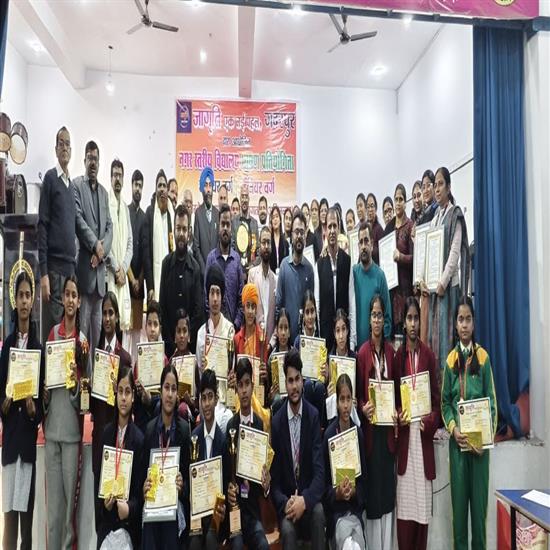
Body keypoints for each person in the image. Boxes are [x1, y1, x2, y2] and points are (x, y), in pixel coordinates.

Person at [441, 296, 497, 550]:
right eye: (460, 319)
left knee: (479, 521)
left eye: (468, 319)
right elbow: (445, 404)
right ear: (455, 324)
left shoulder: (483, 358)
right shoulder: (450, 360)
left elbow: (492, 404)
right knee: (459, 523)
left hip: (480, 451)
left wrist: (485, 440)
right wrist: (453, 429)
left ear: (474, 324)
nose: (464, 324)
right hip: (458, 449)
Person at [44, 275, 90, 550]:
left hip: (72, 435)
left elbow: (85, 401)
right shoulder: (52, 335)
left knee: (68, 520)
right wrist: (45, 396)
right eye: (67, 295)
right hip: (51, 433)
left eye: (74, 295)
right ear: (62, 299)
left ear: (79, 301)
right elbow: (46, 386)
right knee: (53, 513)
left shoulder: (82, 342)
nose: (70, 299)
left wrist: (75, 385)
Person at [0, 272, 44, 550]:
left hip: (27, 445)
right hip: (10, 443)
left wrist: (32, 409)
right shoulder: (7, 346)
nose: (25, 301)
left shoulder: (38, 348)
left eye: (28, 295)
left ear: (32, 300)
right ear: (14, 301)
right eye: (21, 296)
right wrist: (3, 406)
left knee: (26, 526)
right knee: (9, 523)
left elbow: (40, 410)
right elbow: (0, 393)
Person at [394, 297, 440, 550]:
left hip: (423, 444)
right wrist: (398, 415)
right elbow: (393, 402)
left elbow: (437, 404)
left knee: (422, 521)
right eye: (409, 318)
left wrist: (431, 422)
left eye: (415, 318)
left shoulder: (429, 356)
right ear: (404, 323)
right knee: (405, 521)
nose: (413, 323)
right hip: (405, 448)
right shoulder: (397, 357)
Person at [271, 349, 326, 549]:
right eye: (290, 381)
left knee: (319, 513)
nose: (294, 386)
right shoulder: (277, 423)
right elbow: (274, 482)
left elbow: (320, 474)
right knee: (286, 530)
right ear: (285, 384)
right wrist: (285, 502)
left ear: (303, 381)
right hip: (288, 505)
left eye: (297, 380)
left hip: (308, 502)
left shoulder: (313, 416)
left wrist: (305, 500)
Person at [357, 294, 398, 550]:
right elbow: (358, 396)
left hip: (388, 434)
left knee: (387, 494)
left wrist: (396, 411)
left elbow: (399, 392)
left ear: (385, 320)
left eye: (380, 315)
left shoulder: (392, 353)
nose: (376, 320)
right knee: (373, 496)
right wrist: (364, 407)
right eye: (373, 315)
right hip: (371, 433)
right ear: (369, 319)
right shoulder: (362, 353)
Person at [94, 365, 144, 549]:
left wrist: (129, 508)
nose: (123, 397)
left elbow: (140, 495)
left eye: (128, 392)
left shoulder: (139, 440)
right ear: (115, 395)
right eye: (120, 391)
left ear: (133, 397)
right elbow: (98, 485)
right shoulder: (106, 434)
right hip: (107, 525)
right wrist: (104, 506)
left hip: (128, 527)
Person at [141, 365, 191, 550]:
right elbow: (142, 476)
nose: (170, 394)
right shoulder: (149, 430)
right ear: (160, 391)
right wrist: (144, 487)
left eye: (174, 389)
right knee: (150, 525)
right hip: (154, 503)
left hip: (174, 505)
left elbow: (189, 482)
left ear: (177, 394)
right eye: (166, 388)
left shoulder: (184, 431)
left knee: (171, 525)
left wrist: (182, 485)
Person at [426, 167, 470, 370]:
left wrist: (442, 283)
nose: (437, 189)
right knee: (434, 343)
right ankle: (438, 385)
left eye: (440, 184)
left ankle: (452, 384)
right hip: (435, 291)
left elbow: (454, 253)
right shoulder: (435, 218)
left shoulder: (455, 214)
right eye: (435, 185)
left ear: (449, 187)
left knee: (448, 341)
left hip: (448, 288)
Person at [226, 358, 271, 550]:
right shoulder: (230, 426)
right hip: (235, 512)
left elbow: (263, 483)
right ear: (236, 389)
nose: (244, 390)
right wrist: (229, 489)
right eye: (240, 385)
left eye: (247, 384)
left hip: (253, 512)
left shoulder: (260, 425)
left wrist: (266, 485)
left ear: (253, 386)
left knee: (263, 545)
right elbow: (227, 472)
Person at [74, 140, 113, 355]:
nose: (93, 163)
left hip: (100, 279)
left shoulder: (105, 194)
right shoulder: (76, 186)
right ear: (84, 161)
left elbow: (110, 228)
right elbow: (78, 220)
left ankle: (96, 376)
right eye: (89, 158)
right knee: (83, 340)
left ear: (99, 162)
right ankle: (84, 376)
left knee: (98, 338)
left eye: (95, 159)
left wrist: (101, 252)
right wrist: (95, 245)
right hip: (85, 275)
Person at [38, 126, 77, 342]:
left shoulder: (71, 186)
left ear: (71, 150)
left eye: (67, 144)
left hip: (70, 272)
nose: (64, 148)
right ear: (56, 149)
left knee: (68, 336)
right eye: (61, 143)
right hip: (53, 272)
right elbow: (42, 225)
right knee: (53, 336)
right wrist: (43, 273)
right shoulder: (50, 179)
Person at [91, 291, 133, 480]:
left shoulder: (124, 358)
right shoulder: (96, 355)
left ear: (117, 317)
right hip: (99, 436)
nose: (107, 318)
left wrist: (119, 391)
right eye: (104, 313)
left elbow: (130, 404)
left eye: (111, 313)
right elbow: (91, 406)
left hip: (119, 439)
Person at [322, 374, 367, 550]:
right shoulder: (329, 435)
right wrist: (338, 494)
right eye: (342, 399)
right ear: (337, 403)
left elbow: (364, 482)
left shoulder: (358, 434)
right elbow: (324, 487)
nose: (346, 405)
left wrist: (354, 492)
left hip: (355, 511)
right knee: (349, 546)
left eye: (349, 399)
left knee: (356, 546)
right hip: (336, 514)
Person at [188, 369, 228, 550]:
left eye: (210, 397)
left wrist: (222, 507)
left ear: (216, 399)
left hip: (216, 514)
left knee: (211, 539)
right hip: (197, 513)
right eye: (203, 398)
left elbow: (226, 483)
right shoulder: (194, 438)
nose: (206, 404)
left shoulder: (223, 441)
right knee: (194, 542)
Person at [196, 264, 235, 433]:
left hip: (225, 400)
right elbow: (199, 373)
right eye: (212, 293)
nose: (215, 298)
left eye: (218, 293)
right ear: (207, 296)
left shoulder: (230, 330)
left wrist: (232, 376)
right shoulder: (201, 333)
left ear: (222, 296)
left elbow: (232, 369)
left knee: (227, 420)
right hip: (207, 400)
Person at [160, 204, 203, 356]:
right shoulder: (166, 265)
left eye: (184, 229)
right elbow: (162, 309)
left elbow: (198, 312)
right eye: (178, 228)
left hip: (189, 349)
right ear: (173, 230)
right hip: (169, 348)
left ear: (189, 232)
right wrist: (172, 344)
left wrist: (186, 342)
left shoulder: (195, 268)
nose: (181, 233)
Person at [349, 222, 392, 350]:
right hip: (355, 350)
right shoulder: (352, 274)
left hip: (375, 351)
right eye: (361, 242)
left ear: (372, 244)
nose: (363, 246)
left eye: (366, 241)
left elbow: (387, 318)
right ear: (358, 246)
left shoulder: (380, 276)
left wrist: (379, 347)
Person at [315, 207, 353, 352]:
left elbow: (352, 302)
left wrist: (352, 340)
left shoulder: (347, 261)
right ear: (325, 230)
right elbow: (318, 305)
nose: (332, 230)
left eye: (334, 226)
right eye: (329, 226)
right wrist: (319, 340)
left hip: (344, 338)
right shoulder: (319, 264)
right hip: (326, 338)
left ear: (339, 228)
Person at [275, 211, 315, 345]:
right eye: (296, 232)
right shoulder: (284, 266)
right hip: (285, 341)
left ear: (305, 236)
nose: (299, 236)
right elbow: (278, 306)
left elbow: (311, 309)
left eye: (302, 232)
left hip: (304, 342)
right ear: (291, 235)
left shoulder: (309, 269)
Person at [205, 203, 244, 330]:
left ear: (232, 228)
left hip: (232, 332)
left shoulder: (236, 260)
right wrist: (212, 325)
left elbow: (241, 299)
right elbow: (206, 297)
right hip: (213, 331)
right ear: (218, 227)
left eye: (228, 224)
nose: (225, 228)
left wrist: (235, 326)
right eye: (223, 224)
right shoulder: (211, 259)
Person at [106, 159, 133, 337]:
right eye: (115, 175)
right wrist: (116, 268)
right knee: (108, 324)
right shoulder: (105, 203)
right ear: (110, 178)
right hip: (110, 275)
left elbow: (130, 243)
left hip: (122, 276)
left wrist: (123, 268)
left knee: (121, 331)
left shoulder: (125, 208)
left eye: (120, 175)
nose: (117, 179)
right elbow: (104, 242)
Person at [384, 183, 414, 337]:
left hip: (405, 289)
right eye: (396, 199)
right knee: (392, 334)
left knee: (405, 332)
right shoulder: (389, 227)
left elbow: (415, 259)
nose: (398, 203)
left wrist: (401, 257)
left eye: (401, 199)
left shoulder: (410, 226)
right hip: (391, 290)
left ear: (406, 202)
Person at [133, 300, 165, 433]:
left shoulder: (165, 361)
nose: (152, 329)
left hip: (159, 409)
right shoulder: (138, 362)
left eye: (155, 324)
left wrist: (151, 400)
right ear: (145, 327)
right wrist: (139, 390)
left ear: (160, 328)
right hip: (142, 410)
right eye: (149, 324)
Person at [143, 169, 175, 302]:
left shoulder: (171, 215)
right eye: (159, 185)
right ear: (156, 190)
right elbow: (146, 254)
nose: (162, 189)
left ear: (167, 190)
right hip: (154, 284)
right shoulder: (150, 213)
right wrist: (150, 286)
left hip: (170, 278)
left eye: (164, 186)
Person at [127, 169, 146, 358]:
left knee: (138, 334)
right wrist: (132, 279)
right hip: (126, 282)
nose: (137, 189)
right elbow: (125, 248)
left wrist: (139, 279)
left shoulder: (145, 217)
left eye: (140, 186)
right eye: (135, 185)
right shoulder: (125, 212)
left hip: (140, 286)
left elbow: (146, 251)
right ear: (131, 186)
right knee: (126, 331)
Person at [249, 226, 277, 344]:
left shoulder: (276, 280)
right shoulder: (252, 275)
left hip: (270, 343)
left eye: (268, 243)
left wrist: (272, 343)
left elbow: (277, 315)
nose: (266, 246)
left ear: (271, 246)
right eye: (263, 242)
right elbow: (248, 310)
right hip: (254, 341)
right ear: (259, 246)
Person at [194, 166, 220, 278]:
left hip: (216, 271)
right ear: (201, 188)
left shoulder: (217, 214)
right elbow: (196, 246)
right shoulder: (198, 213)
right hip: (202, 274)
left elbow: (219, 244)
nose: (208, 190)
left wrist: (215, 267)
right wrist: (204, 270)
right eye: (205, 185)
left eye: (210, 185)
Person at [267, 308, 292, 412]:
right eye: (280, 328)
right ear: (276, 331)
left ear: (290, 332)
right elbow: (269, 397)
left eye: (286, 328)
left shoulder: (295, 355)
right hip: (277, 401)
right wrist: (271, 395)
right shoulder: (272, 358)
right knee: (277, 400)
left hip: (293, 396)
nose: (283, 333)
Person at [231, 183, 259, 262]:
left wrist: (254, 265)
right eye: (242, 197)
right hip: (237, 266)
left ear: (249, 199)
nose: (244, 200)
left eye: (246, 196)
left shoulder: (254, 223)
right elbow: (231, 248)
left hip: (252, 266)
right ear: (240, 199)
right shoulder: (234, 222)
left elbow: (257, 249)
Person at [366, 192, 385, 265]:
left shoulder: (379, 229)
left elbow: (382, 254)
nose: (370, 209)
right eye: (368, 207)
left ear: (376, 208)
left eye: (372, 206)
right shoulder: (364, 230)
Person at [269, 204, 289, 273]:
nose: (275, 219)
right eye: (273, 217)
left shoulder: (285, 242)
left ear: (280, 220)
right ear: (271, 221)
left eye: (277, 216)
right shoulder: (269, 241)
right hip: (271, 275)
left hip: (283, 275)